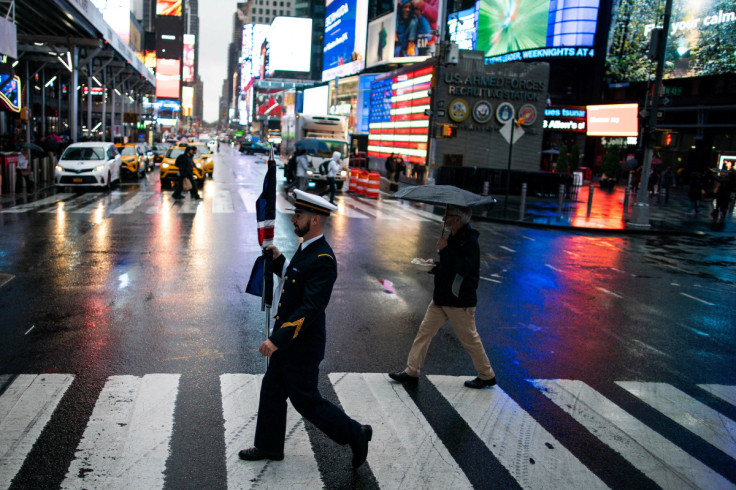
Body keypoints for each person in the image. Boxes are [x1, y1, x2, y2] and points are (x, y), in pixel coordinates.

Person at [239, 190, 372, 468]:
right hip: (290, 344)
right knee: (272, 391)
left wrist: (278, 338)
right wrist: (279, 261)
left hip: (301, 345)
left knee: (307, 402)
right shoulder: (307, 248)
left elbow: (310, 309)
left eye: (298, 216)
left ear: (314, 220)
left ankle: (355, 433)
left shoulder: (324, 259)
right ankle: (269, 446)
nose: (293, 220)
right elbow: (295, 280)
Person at [389, 205, 496, 389]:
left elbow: (463, 269)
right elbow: (449, 266)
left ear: (457, 219)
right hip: (442, 298)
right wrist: (434, 267)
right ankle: (411, 371)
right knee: (424, 333)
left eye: (447, 216)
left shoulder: (470, 241)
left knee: (470, 339)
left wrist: (445, 250)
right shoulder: (453, 236)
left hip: (459, 300)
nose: (443, 219)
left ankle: (487, 375)